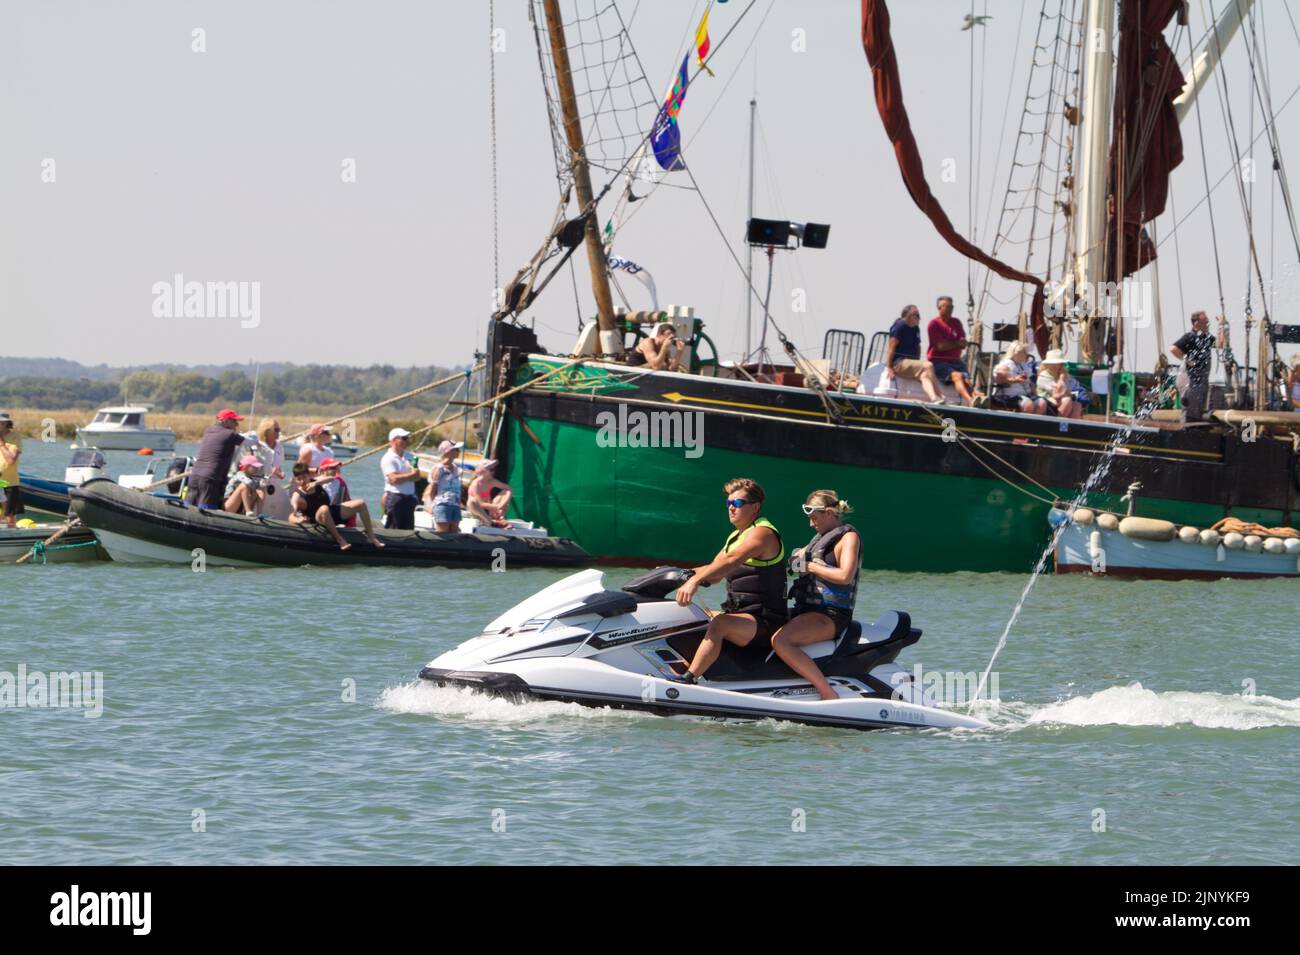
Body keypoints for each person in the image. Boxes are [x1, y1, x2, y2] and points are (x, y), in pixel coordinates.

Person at [670, 478, 787, 684]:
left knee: (720, 623)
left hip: (766, 621)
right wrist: (676, 573)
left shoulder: (763, 533)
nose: (732, 507)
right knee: (691, 615)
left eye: (738, 503)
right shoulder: (735, 536)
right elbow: (714, 572)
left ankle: (689, 679)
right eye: (729, 503)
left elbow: (733, 560)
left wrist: (695, 581)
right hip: (742, 618)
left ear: (755, 507)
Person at [771, 490, 862, 701]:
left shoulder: (849, 538)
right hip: (808, 610)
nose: (811, 524)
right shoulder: (819, 539)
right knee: (766, 620)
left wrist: (810, 566)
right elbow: (797, 560)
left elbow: (845, 576)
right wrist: (795, 562)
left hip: (831, 614)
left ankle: (827, 693)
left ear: (829, 513)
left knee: (781, 641)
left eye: (814, 518)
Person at [289, 461, 384, 550]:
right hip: (318, 519)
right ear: (295, 480)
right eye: (298, 479)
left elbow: (331, 478)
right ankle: (340, 539)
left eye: (304, 477)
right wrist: (298, 520)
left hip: (330, 512)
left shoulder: (315, 481)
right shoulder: (297, 495)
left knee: (361, 503)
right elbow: (291, 516)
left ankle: (372, 536)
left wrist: (316, 483)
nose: (302, 481)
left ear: (309, 475)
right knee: (324, 508)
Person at [927, 296, 985, 406]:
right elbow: (940, 346)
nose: (951, 309)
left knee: (968, 379)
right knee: (957, 376)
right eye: (947, 306)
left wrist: (955, 344)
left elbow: (963, 344)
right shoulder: (934, 324)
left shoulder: (956, 322)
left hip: (956, 361)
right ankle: (970, 400)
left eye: (952, 306)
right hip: (939, 361)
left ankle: (978, 397)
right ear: (940, 308)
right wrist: (956, 344)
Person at [884, 304, 944, 403]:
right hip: (899, 363)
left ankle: (934, 398)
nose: (919, 318)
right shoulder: (900, 325)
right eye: (917, 315)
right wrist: (889, 367)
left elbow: (918, 346)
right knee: (928, 365)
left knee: (924, 375)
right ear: (909, 315)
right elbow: (891, 346)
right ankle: (940, 393)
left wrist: (917, 363)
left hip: (910, 363)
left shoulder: (916, 329)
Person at [187, 409, 246, 509]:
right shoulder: (230, 434)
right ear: (226, 421)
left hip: (195, 476)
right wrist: (253, 435)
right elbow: (250, 442)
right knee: (206, 511)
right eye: (234, 421)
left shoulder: (208, 431)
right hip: (210, 479)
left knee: (188, 507)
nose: (237, 425)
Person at [1170, 310, 1216, 421]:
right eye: (1205, 321)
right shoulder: (1190, 337)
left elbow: (1222, 344)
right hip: (1190, 382)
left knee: (1197, 413)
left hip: (1201, 382)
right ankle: (1186, 432)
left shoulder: (1206, 338)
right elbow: (1173, 348)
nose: (1208, 324)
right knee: (1189, 413)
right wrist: (1186, 359)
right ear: (1196, 323)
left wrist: (1222, 326)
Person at [380, 427, 421, 530]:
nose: (407, 440)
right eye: (404, 438)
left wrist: (402, 477)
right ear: (394, 440)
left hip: (409, 499)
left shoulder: (410, 456)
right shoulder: (388, 458)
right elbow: (393, 480)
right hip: (395, 498)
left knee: (408, 531)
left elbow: (417, 476)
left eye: (407, 438)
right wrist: (410, 476)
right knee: (394, 530)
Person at [990, 341, 1047, 414]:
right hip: (1009, 395)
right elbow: (998, 377)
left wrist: (1035, 393)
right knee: (1028, 405)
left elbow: (1030, 382)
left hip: (1025, 394)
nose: (1025, 355)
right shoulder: (1006, 363)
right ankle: (1023, 424)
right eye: (1022, 352)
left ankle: (1034, 424)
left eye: (1025, 352)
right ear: (1014, 353)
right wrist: (1015, 380)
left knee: (1041, 403)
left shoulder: (1023, 365)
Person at [424, 439, 465, 532]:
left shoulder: (455, 468)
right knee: (443, 533)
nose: (459, 451)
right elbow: (432, 490)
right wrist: (431, 506)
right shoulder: (439, 468)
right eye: (456, 449)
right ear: (448, 452)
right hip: (442, 505)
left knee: (455, 533)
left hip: (455, 505)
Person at [1036, 349, 1084, 419]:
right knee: (1067, 400)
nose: (1062, 365)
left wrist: (1066, 392)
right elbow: (1057, 395)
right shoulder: (1043, 377)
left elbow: (1068, 391)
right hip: (1047, 404)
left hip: (1057, 403)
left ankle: (1070, 428)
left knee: (1077, 405)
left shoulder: (1063, 375)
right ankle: (1057, 426)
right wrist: (1062, 379)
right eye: (1059, 363)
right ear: (1051, 365)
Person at [466, 459, 512, 527]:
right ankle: (489, 521)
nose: (493, 471)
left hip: (489, 509)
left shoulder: (492, 481)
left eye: (493, 469)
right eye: (491, 469)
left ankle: (500, 518)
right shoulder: (476, 484)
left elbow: (509, 489)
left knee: (505, 493)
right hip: (478, 510)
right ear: (483, 471)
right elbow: (481, 504)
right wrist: (498, 507)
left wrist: (502, 504)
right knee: (472, 501)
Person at [0, 411, 23, 528]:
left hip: (9, 482)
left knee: (10, 513)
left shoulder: (15, 437)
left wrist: (2, 444)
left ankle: (11, 533)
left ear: (5, 423)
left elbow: (11, 460)